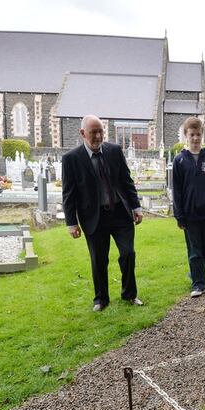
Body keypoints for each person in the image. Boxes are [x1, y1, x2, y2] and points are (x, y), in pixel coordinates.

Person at [63, 115, 145, 312]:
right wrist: (71, 223)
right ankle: (101, 299)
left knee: (128, 253)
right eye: (93, 132)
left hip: (120, 213)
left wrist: (136, 207)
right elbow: (69, 193)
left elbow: (126, 181)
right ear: (83, 133)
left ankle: (129, 294)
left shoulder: (114, 151)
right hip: (94, 217)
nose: (98, 136)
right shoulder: (72, 159)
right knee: (99, 259)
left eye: (100, 131)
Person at [172, 117, 205, 297]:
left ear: (202, 135)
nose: (195, 138)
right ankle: (198, 284)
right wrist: (179, 215)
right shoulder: (180, 160)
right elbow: (176, 191)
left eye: (198, 134)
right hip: (189, 214)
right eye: (192, 135)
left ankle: (195, 272)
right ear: (186, 136)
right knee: (194, 250)